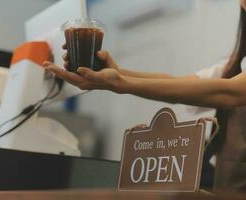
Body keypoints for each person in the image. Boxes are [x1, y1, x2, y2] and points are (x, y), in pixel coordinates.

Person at [44, 1, 246, 191]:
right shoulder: (236, 62)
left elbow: (229, 91)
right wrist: (117, 72)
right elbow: (176, 83)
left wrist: (120, 83)